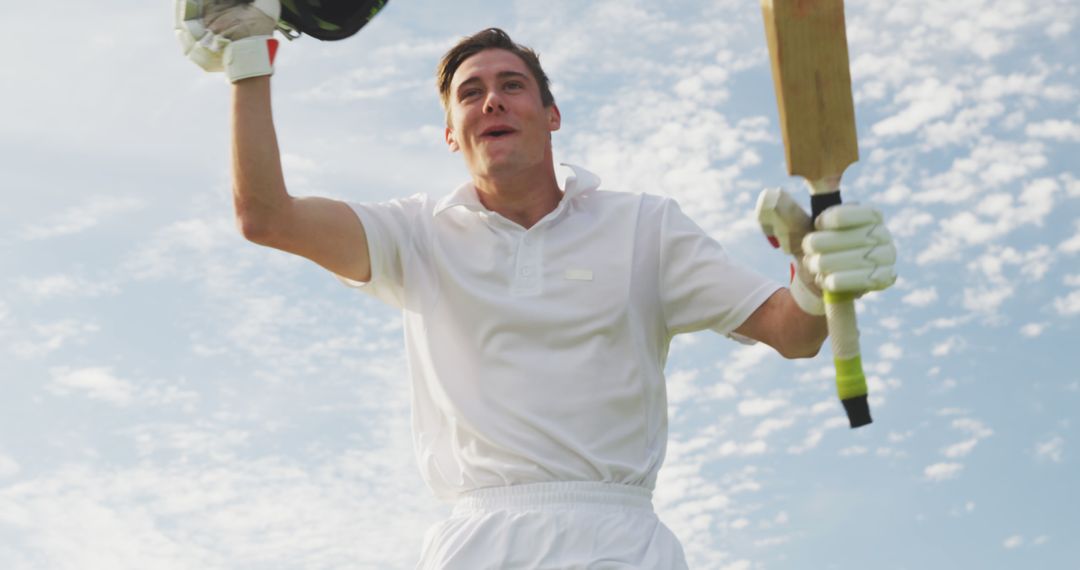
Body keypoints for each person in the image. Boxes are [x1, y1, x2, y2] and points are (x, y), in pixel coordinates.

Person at [177, 3, 897, 568]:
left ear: (550, 117)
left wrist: (814, 279)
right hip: (474, 543)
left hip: (619, 537)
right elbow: (266, 216)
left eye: (511, 85)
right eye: (471, 93)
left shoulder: (645, 226)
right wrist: (249, 62)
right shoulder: (414, 235)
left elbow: (792, 333)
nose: (492, 100)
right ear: (451, 135)